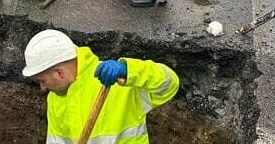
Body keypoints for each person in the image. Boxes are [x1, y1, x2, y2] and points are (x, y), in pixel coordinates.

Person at [22, 29, 179, 143]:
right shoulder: (55, 100)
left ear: (59, 73)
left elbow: (169, 84)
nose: (42, 88)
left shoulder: (117, 82)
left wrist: (129, 71)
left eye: (42, 80)